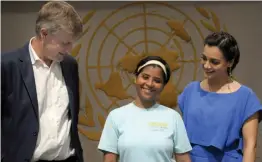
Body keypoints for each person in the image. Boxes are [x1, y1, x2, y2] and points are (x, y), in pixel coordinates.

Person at [1, 1, 83, 162]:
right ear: (44, 34)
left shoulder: (69, 65)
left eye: (71, 43)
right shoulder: (7, 66)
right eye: (65, 43)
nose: (69, 49)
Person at [178, 31, 262, 162]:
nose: (206, 65)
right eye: (204, 58)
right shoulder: (190, 91)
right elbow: (180, 143)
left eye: (214, 62)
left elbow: (250, 146)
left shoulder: (246, 97)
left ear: (230, 62)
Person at [98, 56, 192, 162]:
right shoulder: (116, 116)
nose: (150, 84)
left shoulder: (173, 117)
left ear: (163, 86)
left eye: (157, 80)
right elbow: (109, 160)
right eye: (145, 77)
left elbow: (184, 159)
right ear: (136, 78)